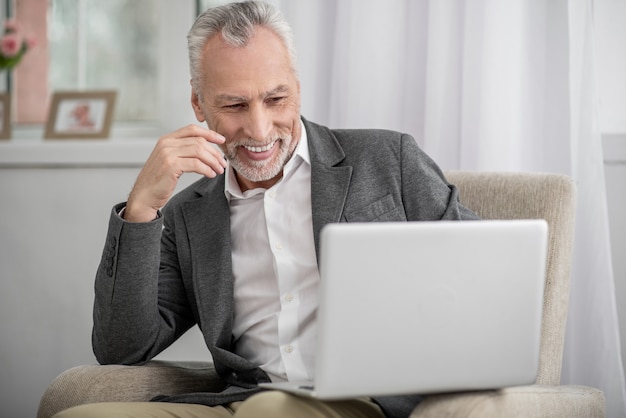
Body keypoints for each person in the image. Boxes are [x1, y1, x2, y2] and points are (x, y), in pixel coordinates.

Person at [54, 2, 479, 418]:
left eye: (276, 99)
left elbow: (481, 271)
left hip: (365, 400)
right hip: (243, 401)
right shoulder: (188, 216)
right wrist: (141, 207)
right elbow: (121, 346)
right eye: (234, 105)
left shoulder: (388, 159)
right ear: (198, 104)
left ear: (296, 86)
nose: (259, 130)